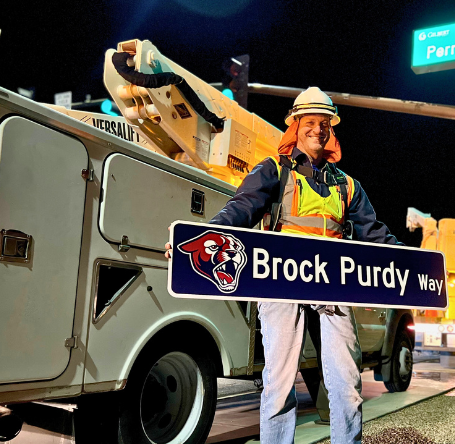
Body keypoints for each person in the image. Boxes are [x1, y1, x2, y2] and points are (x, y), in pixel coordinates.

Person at [166, 87, 401, 444]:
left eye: (324, 123)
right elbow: (238, 211)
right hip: (281, 280)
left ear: (331, 128)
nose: (318, 130)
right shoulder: (273, 170)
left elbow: (376, 234)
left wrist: (417, 265)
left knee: (347, 384)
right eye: (310, 122)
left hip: (332, 283)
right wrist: (195, 241)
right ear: (295, 126)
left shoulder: (348, 186)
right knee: (278, 384)